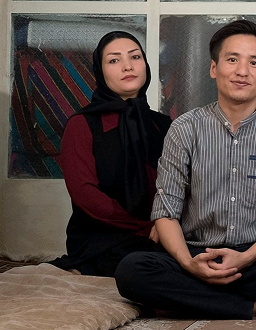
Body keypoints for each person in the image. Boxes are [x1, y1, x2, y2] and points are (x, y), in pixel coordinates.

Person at [114, 20, 256, 319]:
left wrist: (246, 258)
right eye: (232, 59)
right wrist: (187, 263)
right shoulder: (185, 127)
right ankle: (255, 306)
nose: (242, 71)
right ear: (214, 68)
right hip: (198, 255)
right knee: (131, 269)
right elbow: (166, 211)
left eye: (254, 63)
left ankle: (193, 300)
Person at [50, 31, 171, 277]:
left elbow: (182, 184)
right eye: (114, 60)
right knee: (159, 265)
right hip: (103, 239)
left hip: (164, 231)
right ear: (100, 72)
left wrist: (169, 225)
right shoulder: (83, 124)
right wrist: (147, 228)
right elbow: (86, 195)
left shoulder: (163, 124)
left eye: (135, 57)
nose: (128, 66)